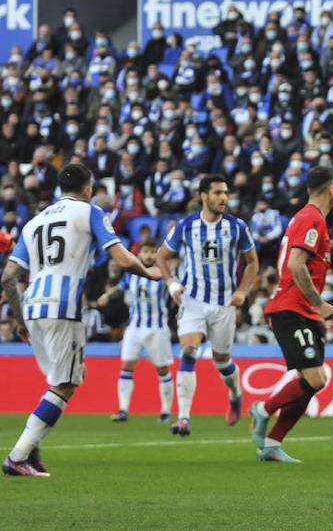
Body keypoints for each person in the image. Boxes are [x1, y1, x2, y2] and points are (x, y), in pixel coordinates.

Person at [2, 164, 163, 477]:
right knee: (66, 383)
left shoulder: (33, 223)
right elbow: (121, 258)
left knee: (57, 381)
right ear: (88, 188)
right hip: (63, 306)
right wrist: (149, 272)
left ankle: (31, 451)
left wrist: (19, 319)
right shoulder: (89, 212)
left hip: (33, 305)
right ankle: (18, 456)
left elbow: (9, 277)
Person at [250, 165, 333, 463]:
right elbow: (295, 264)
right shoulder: (312, 220)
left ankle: (273, 443)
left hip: (304, 312)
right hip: (291, 308)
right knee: (315, 378)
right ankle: (262, 409)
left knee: (311, 382)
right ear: (332, 188)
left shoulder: (308, 218)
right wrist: (318, 303)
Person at [157, 174, 259, 437]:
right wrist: (171, 283)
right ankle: (183, 418)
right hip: (192, 300)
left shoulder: (237, 227)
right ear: (203, 196)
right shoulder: (186, 226)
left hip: (224, 303)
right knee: (189, 351)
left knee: (221, 361)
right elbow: (162, 256)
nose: (223, 197)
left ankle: (236, 392)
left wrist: (242, 290)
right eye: (217, 193)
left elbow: (252, 262)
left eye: (225, 193)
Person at [96, 240, 174, 423]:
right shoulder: (131, 275)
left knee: (162, 369)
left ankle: (166, 410)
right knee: (126, 365)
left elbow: (176, 290)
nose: (149, 255)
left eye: (153, 252)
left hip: (157, 328)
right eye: (146, 251)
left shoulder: (164, 273)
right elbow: (120, 288)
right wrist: (107, 295)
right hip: (134, 327)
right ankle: (123, 409)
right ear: (139, 254)